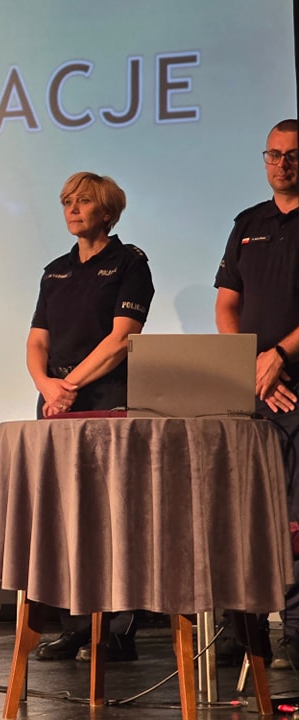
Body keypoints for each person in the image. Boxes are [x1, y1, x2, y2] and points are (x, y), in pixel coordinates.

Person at [26, 172, 154, 662]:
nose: (73, 209)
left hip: (107, 402)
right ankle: (76, 626)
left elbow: (121, 339)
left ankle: (118, 630)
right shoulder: (54, 271)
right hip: (57, 403)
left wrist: (68, 386)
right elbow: (37, 340)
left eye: (83, 201)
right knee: (66, 518)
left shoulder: (130, 263)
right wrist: (45, 385)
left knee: (113, 517)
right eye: (67, 202)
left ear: (107, 212)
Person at [214, 118, 299, 670]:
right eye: (273, 154)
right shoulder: (247, 222)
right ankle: (241, 630)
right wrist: (248, 365)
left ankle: (294, 630)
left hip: (292, 384)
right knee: (242, 510)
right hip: (254, 388)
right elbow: (227, 304)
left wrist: (280, 357)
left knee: (295, 516)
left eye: (292, 154)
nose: (282, 163)